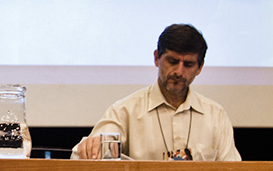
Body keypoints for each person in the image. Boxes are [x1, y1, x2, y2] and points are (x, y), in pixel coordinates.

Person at [72, 23, 241, 161]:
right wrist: (93, 147)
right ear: (156, 58)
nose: (179, 72)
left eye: (188, 65)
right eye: (172, 61)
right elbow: (80, 156)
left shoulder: (215, 115)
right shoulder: (126, 111)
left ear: (200, 67)